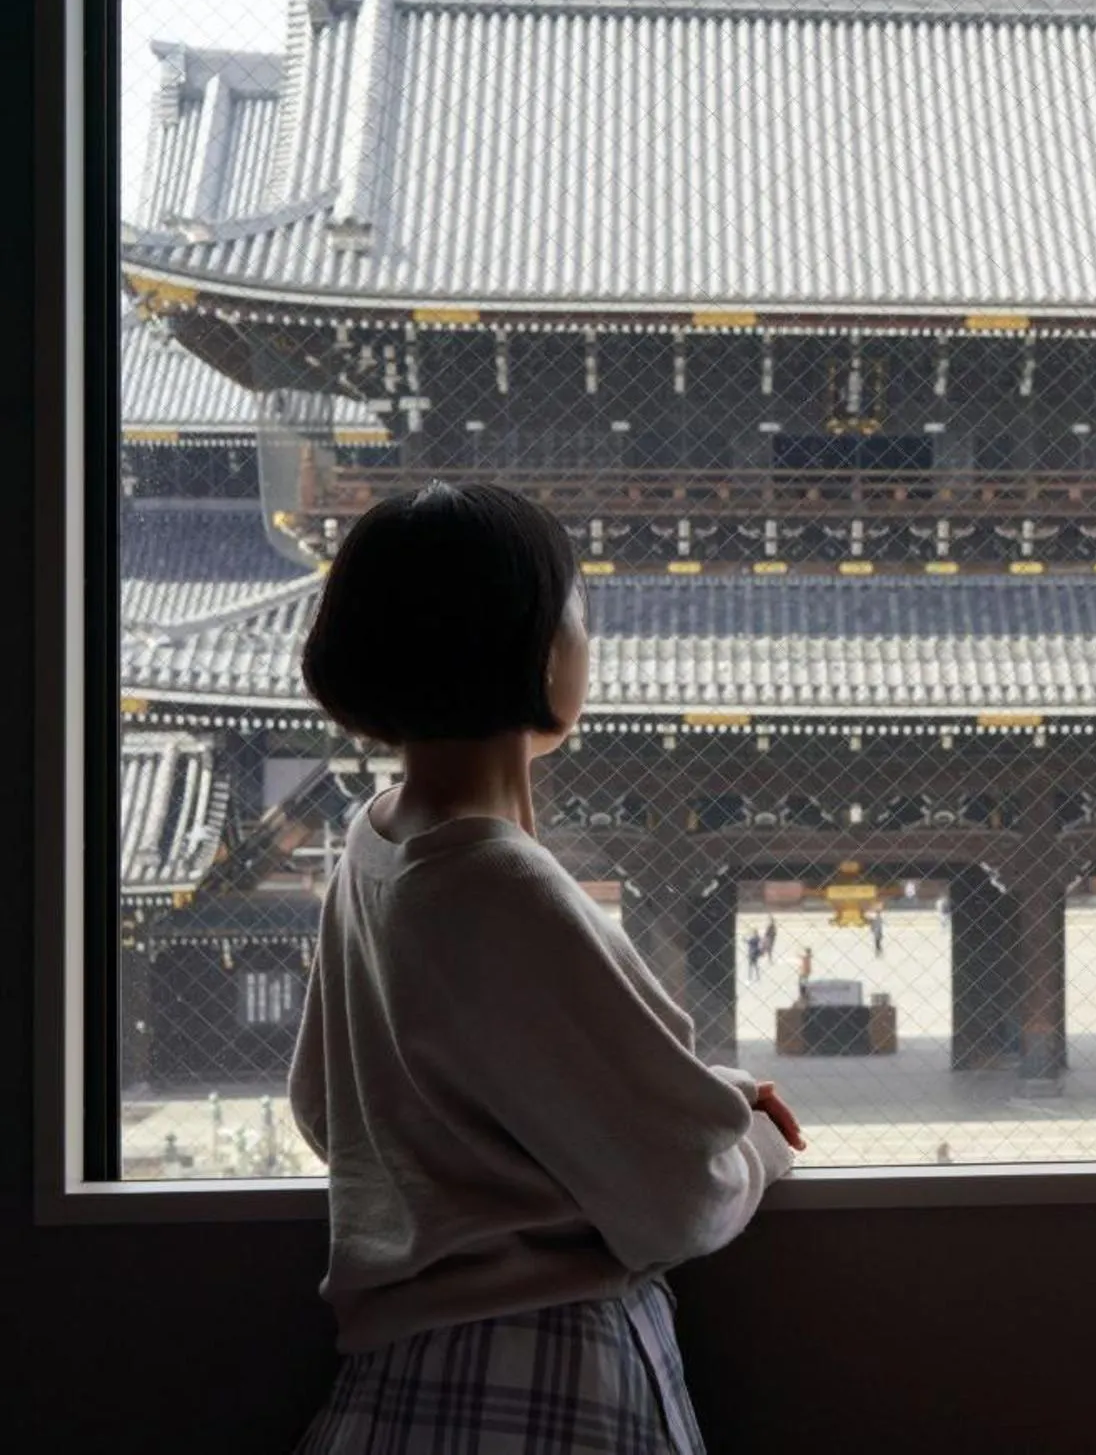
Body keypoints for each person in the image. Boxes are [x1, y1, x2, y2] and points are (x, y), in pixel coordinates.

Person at [286, 482, 801, 1453]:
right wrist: (753, 1147)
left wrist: (682, 1095)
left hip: (395, 1374)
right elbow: (678, 1192)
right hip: (547, 1365)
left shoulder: (373, 844)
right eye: (577, 608)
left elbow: (327, 1108)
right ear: (530, 643)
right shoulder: (504, 879)